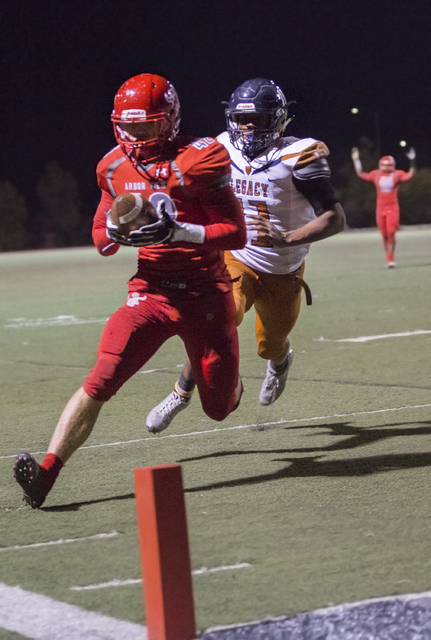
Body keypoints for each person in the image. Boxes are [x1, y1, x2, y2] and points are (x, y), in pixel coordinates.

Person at [13, 73, 246, 508]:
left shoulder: (200, 160)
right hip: (152, 292)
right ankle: (46, 474)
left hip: (206, 294)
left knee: (218, 408)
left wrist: (182, 230)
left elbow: (236, 233)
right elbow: (101, 237)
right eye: (128, 126)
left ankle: (224, 386)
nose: (135, 137)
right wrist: (121, 234)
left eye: (146, 127)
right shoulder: (113, 167)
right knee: (102, 376)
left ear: (169, 121)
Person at [145, 77, 346, 434]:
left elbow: (335, 218)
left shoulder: (297, 155)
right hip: (235, 257)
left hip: (283, 269)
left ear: (281, 120)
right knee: (217, 319)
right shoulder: (221, 148)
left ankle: (280, 361)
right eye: (242, 119)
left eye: (261, 120)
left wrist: (287, 238)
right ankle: (182, 391)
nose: (249, 128)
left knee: (269, 345)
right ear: (230, 120)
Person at [351, 146, 416, 267]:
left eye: (388, 165)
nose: (386, 167)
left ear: (392, 165)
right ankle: (388, 257)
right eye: (384, 165)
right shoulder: (376, 174)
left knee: (391, 232)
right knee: (384, 234)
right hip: (380, 208)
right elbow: (361, 174)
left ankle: (391, 258)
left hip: (392, 207)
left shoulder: (397, 174)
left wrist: (412, 161)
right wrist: (356, 160)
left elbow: (409, 175)